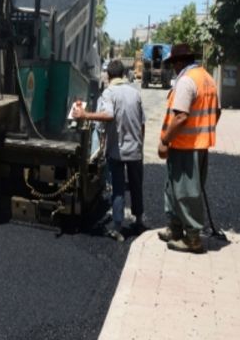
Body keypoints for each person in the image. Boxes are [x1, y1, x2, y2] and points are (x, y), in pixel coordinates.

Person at [72, 59, 145, 242]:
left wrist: (84, 115)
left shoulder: (109, 93)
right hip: (135, 149)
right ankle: (139, 221)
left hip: (117, 150)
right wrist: (140, 144)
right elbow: (142, 123)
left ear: (110, 76)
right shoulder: (135, 93)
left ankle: (118, 228)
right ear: (123, 74)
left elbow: (108, 115)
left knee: (118, 188)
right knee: (136, 185)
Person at [157, 43, 221, 254]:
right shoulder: (207, 78)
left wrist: (165, 140)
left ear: (180, 62)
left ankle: (192, 238)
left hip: (186, 146)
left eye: (174, 63)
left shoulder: (186, 81)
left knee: (186, 191)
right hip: (199, 144)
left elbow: (181, 116)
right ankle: (175, 229)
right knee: (174, 188)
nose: (173, 67)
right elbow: (216, 112)